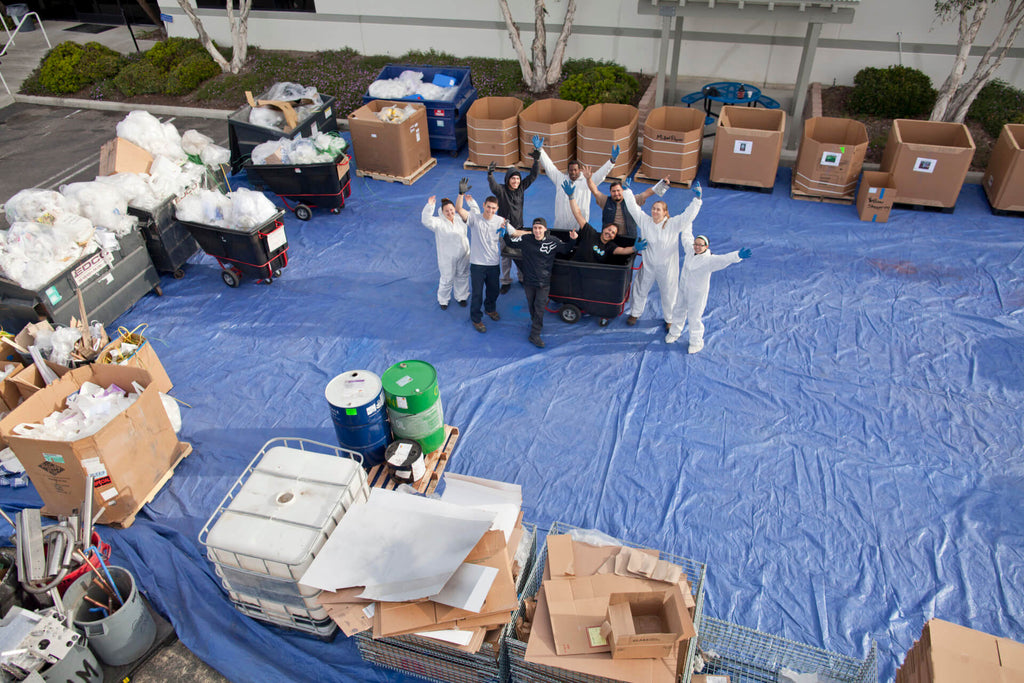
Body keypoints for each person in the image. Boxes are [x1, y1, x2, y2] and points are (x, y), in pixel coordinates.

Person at [622, 181, 704, 331]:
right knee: (640, 288)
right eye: (653, 209)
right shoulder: (646, 221)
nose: (654, 211)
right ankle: (635, 313)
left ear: (665, 212)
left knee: (669, 294)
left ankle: (670, 319)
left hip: (667, 269)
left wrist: (697, 201)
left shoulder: (673, 224)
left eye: (658, 210)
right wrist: (627, 192)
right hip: (649, 265)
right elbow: (633, 209)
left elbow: (688, 216)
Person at [666, 235, 751, 354]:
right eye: (695, 244)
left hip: (697, 294)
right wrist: (687, 221)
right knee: (678, 310)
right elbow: (686, 237)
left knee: (694, 317)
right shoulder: (690, 251)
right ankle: (675, 332)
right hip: (683, 289)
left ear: (706, 246)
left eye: (700, 245)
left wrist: (737, 255)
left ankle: (696, 342)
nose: (697, 247)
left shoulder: (709, 260)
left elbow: (724, 259)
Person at [503, 216, 574, 348]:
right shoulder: (526, 239)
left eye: (540, 228)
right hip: (529, 282)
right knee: (532, 306)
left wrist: (573, 240)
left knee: (539, 308)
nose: (537, 230)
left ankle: (535, 334)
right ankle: (535, 322)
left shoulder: (553, 241)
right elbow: (511, 243)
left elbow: (565, 249)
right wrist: (504, 234)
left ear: (545, 229)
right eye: (535, 228)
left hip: (544, 283)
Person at [455, 178, 506, 333]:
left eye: (493, 208)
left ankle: (490, 309)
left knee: (494, 290)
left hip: (493, 264)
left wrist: (536, 232)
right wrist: (461, 194)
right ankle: (476, 319)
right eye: (488, 207)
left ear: (497, 209)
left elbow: (515, 232)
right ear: (483, 205)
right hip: (477, 264)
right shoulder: (474, 218)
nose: (490, 210)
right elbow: (459, 209)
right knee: (477, 293)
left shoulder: (500, 221)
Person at [487, 146, 540, 294]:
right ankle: (505, 281)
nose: (516, 181)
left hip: (519, 228)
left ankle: (522, 278)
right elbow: (493, 187)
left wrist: (536, 160)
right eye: (513, 178)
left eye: (517, 178)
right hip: (504, 230)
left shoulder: (521, 188)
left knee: (520, 255)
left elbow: (533, 176)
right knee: (505, 257)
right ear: (508, 179)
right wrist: (490, 175)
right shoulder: (502, 191)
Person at [535, 135, 614, 232]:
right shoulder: (560, 179)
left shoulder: (587, 180)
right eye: (571, 170)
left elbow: (602, 173)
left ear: (579, 170)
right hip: (560, 227)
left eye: (575, 170)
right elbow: (549, 166)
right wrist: (540, 150)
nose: (573, 172)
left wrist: (611, 161)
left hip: (579, 227)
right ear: (568, 170)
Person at [562, 180, 646, 265]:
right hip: (574, 268)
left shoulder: (610, 247)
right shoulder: (590, 233)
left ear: (613, 237)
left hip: (590, 275)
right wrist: (571, 196)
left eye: (613, 233)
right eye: (609, 230)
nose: (610, 233)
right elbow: (577, 214)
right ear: (604, 229)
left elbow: (623, 250)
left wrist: (635, 248)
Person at [420, 194, 473, 310]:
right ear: (442, 212)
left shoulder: (460, 219)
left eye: (451, 210)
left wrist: (469, 201)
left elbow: (474, 215)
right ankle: (443, 299)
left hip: (463, 254)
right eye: (447, 211)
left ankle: (461, 296)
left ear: (455, 209)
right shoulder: (438, 223)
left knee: (463, 275)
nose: (450, 213)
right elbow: (425, 219)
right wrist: (430, 206)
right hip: (447, 257)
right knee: (447, 278)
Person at [583, 168, 663, 240]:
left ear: (623, 191)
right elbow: (595, 191)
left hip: (629, 237)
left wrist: (663, 185)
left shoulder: (631, 200)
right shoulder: (605, 201)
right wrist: (588, 178)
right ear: (610, 192)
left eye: (618, 191)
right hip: (610, 237)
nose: (616, 193)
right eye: (613, 191)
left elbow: (647, 193)